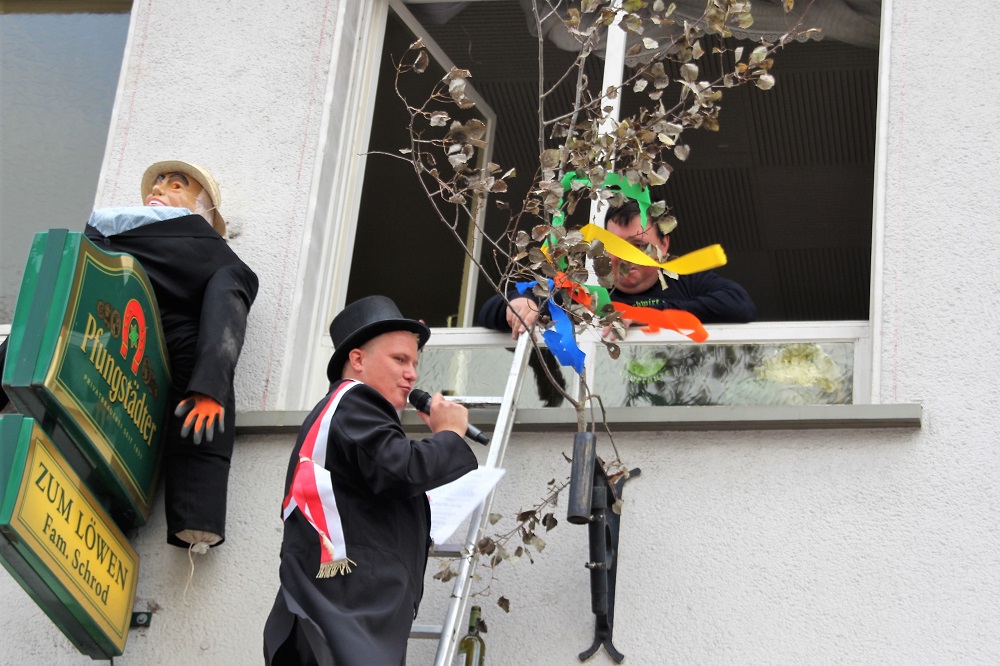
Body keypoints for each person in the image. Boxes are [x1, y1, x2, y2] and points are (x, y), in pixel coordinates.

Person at [263, 295, 478, 666]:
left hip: (335, 612)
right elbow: (402, 469)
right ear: (358, 360)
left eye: (414, 363)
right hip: (348, 614)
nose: (412, 374)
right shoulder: (355, 400)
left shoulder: (344, 412)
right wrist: (449, 435)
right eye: (399, 359)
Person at [84, 160, 258, 551]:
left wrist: (210, 385)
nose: (159, 188)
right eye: (158, 181)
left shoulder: (213, 254)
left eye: (176, 184)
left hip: (166, 350)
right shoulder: (102, 235)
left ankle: (194, 513)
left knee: (195, 394)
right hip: (105, 340)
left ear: (202, 208)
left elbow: (225, 314)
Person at [478, 198, 756, 336]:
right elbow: (490, 310)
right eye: (616, 247)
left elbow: (739, 305)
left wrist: (644, 315)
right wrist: (520, 304)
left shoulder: (685, 282)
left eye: (638, 246)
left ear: (664, 245)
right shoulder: (584, 288)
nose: (625, 258)